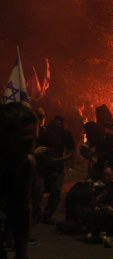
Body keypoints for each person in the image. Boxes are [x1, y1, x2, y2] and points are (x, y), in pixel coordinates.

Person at [0, 102, 38, 259]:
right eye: (25, 141)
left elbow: (21, 209)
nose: (31, 147)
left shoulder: (26, 163)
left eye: (34, 139)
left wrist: (22, 254)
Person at [34, 116, 75, 224]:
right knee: (38, 189)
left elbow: (71, 151)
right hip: (41, 166)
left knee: (56, 190)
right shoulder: (43, 132)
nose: (57, 129)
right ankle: (36, 214)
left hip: (57, 166)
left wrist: (59, 159)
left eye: (59, 126)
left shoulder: (66, 134)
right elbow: (34, 146)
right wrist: (38, 153)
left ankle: (48, 214)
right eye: (55, 127)